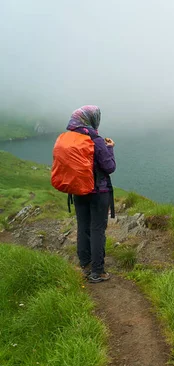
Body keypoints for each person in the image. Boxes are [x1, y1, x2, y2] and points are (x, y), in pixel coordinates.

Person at [66, 106, 116, 283]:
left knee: (83, 227)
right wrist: (110, 148)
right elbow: (109, 167)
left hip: (78, 190)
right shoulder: (96, 139)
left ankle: (85, 264)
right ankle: (97, 272)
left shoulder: (70, 138)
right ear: (91, 119)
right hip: (98, 192)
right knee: (97, 229)